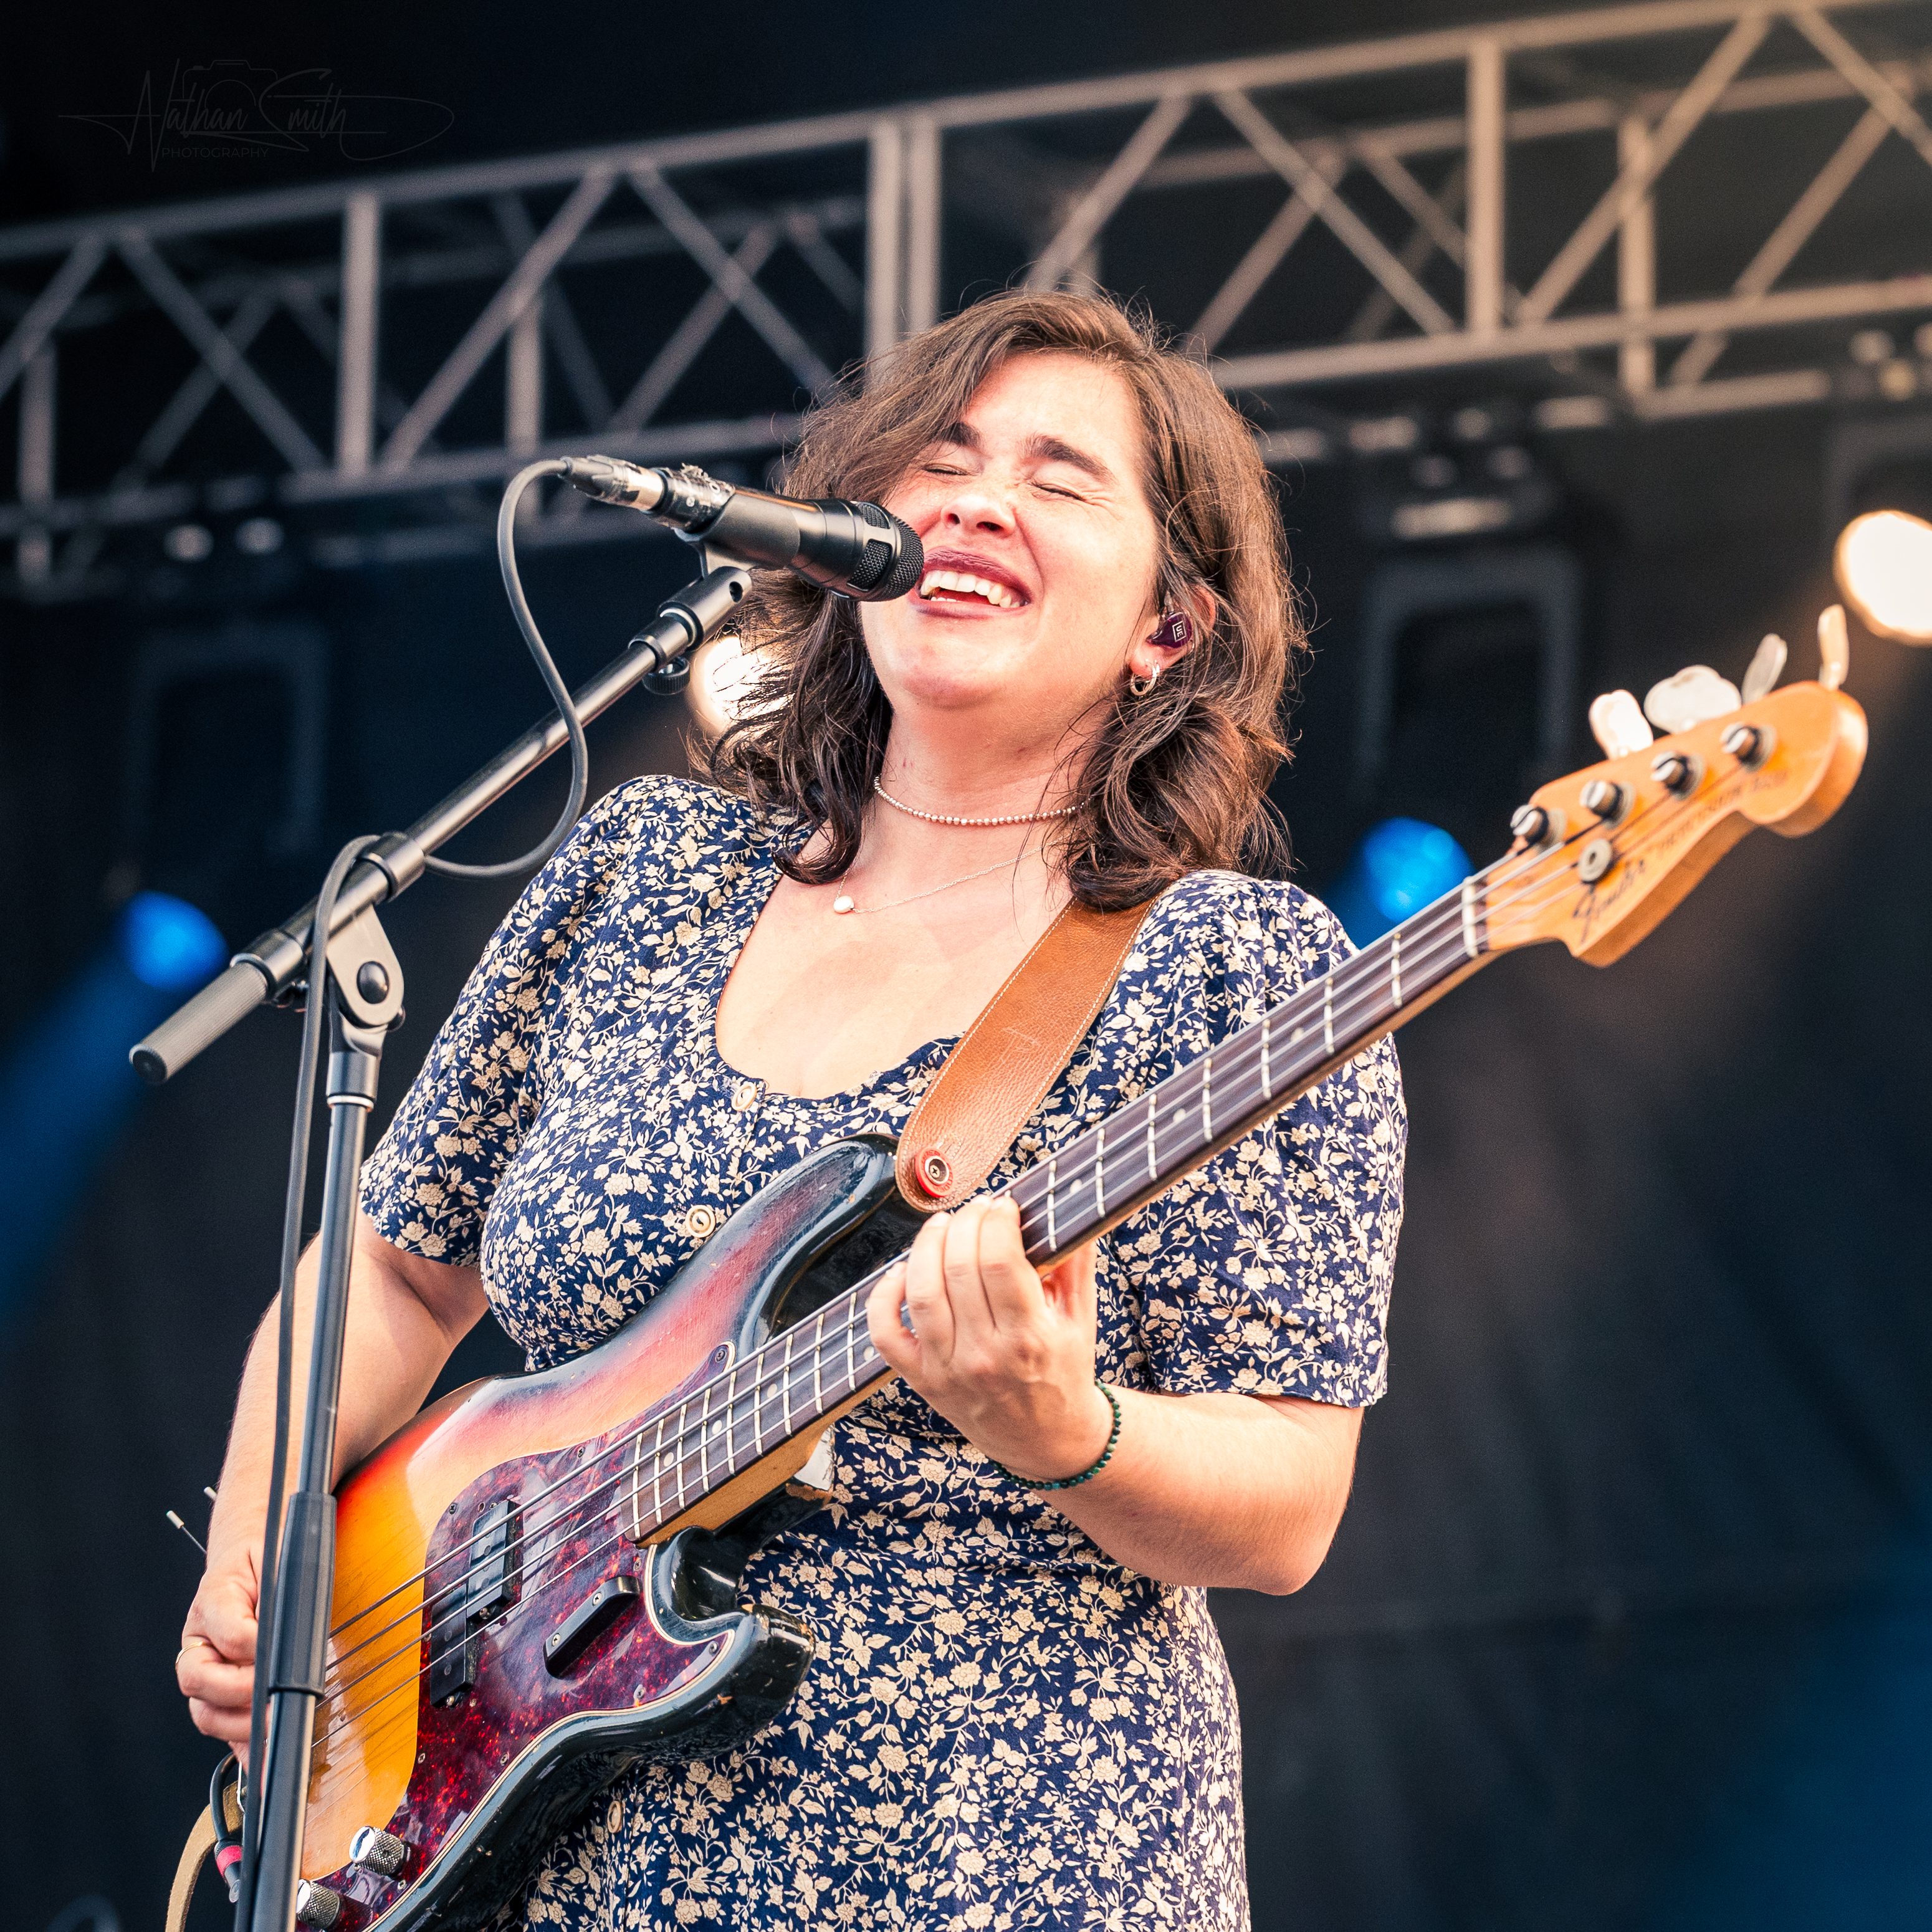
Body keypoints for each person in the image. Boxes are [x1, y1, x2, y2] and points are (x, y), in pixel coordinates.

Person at [175, 289, 1405, 1930]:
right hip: (548, 1860)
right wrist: (257, 1554)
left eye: (1057, 477)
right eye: (940, 460)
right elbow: (395, 1270)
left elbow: (1289, 1495)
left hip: (995, 1859)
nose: (975, 499)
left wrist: (1067, 1430)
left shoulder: (1237, 969)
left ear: (1167, 630)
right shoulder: (643, 872)